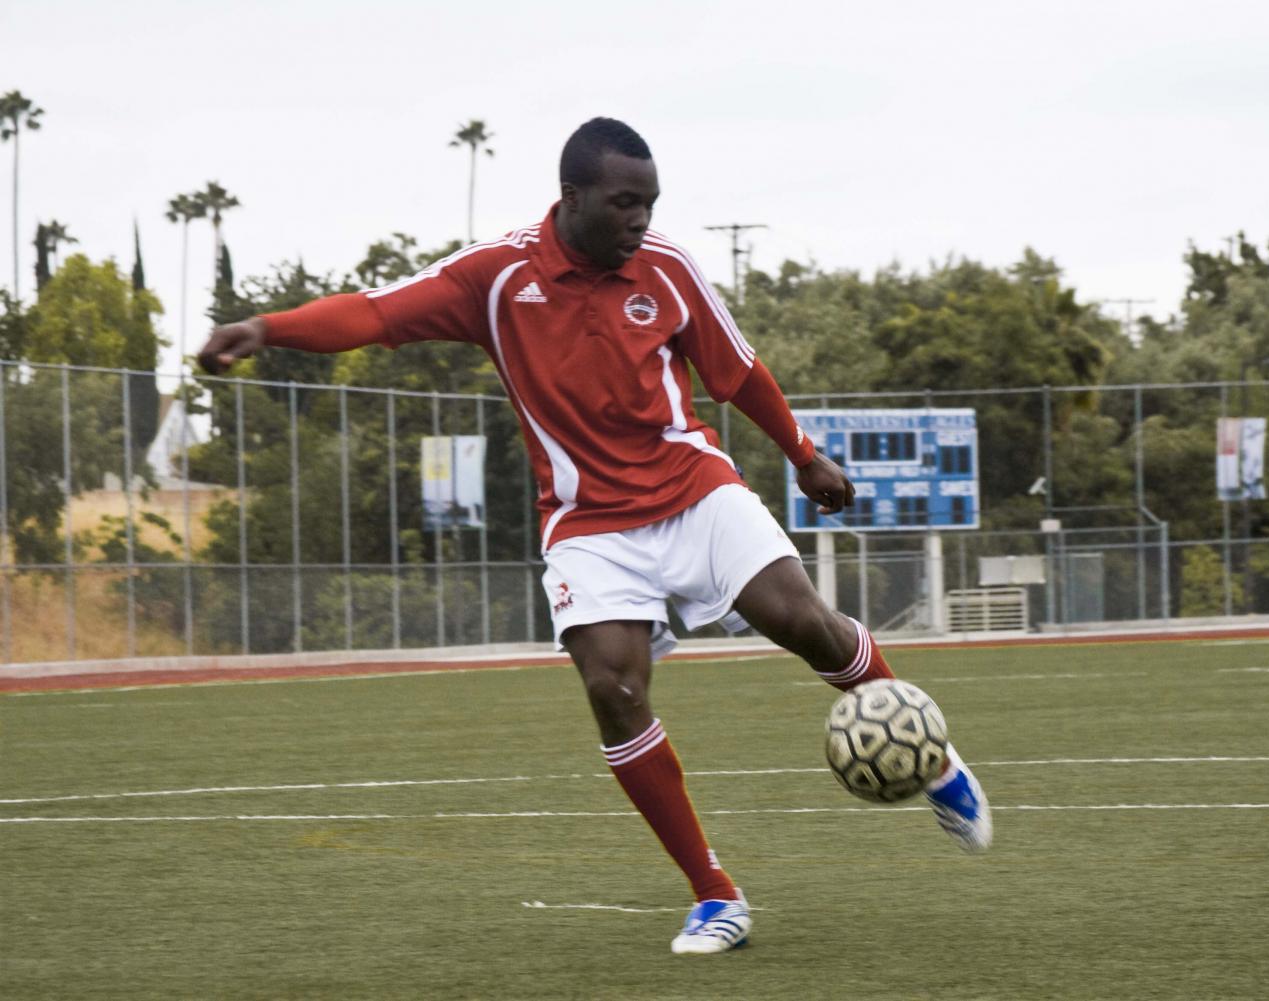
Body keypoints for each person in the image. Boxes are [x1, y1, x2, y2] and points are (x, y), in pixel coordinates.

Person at [198, 117, 991, 955]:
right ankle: (714, 893)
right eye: (623, 203)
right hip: (587, 522)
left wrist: (801, 453)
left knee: (801, 620)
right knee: (612, 687)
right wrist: (268, 329)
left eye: (649, 203)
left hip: (693, 489)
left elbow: (738, 372)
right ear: (571, 197)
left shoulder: (669, 270)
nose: (640, 220)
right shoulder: (496, 276)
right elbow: (374, 312)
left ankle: (934, 760)